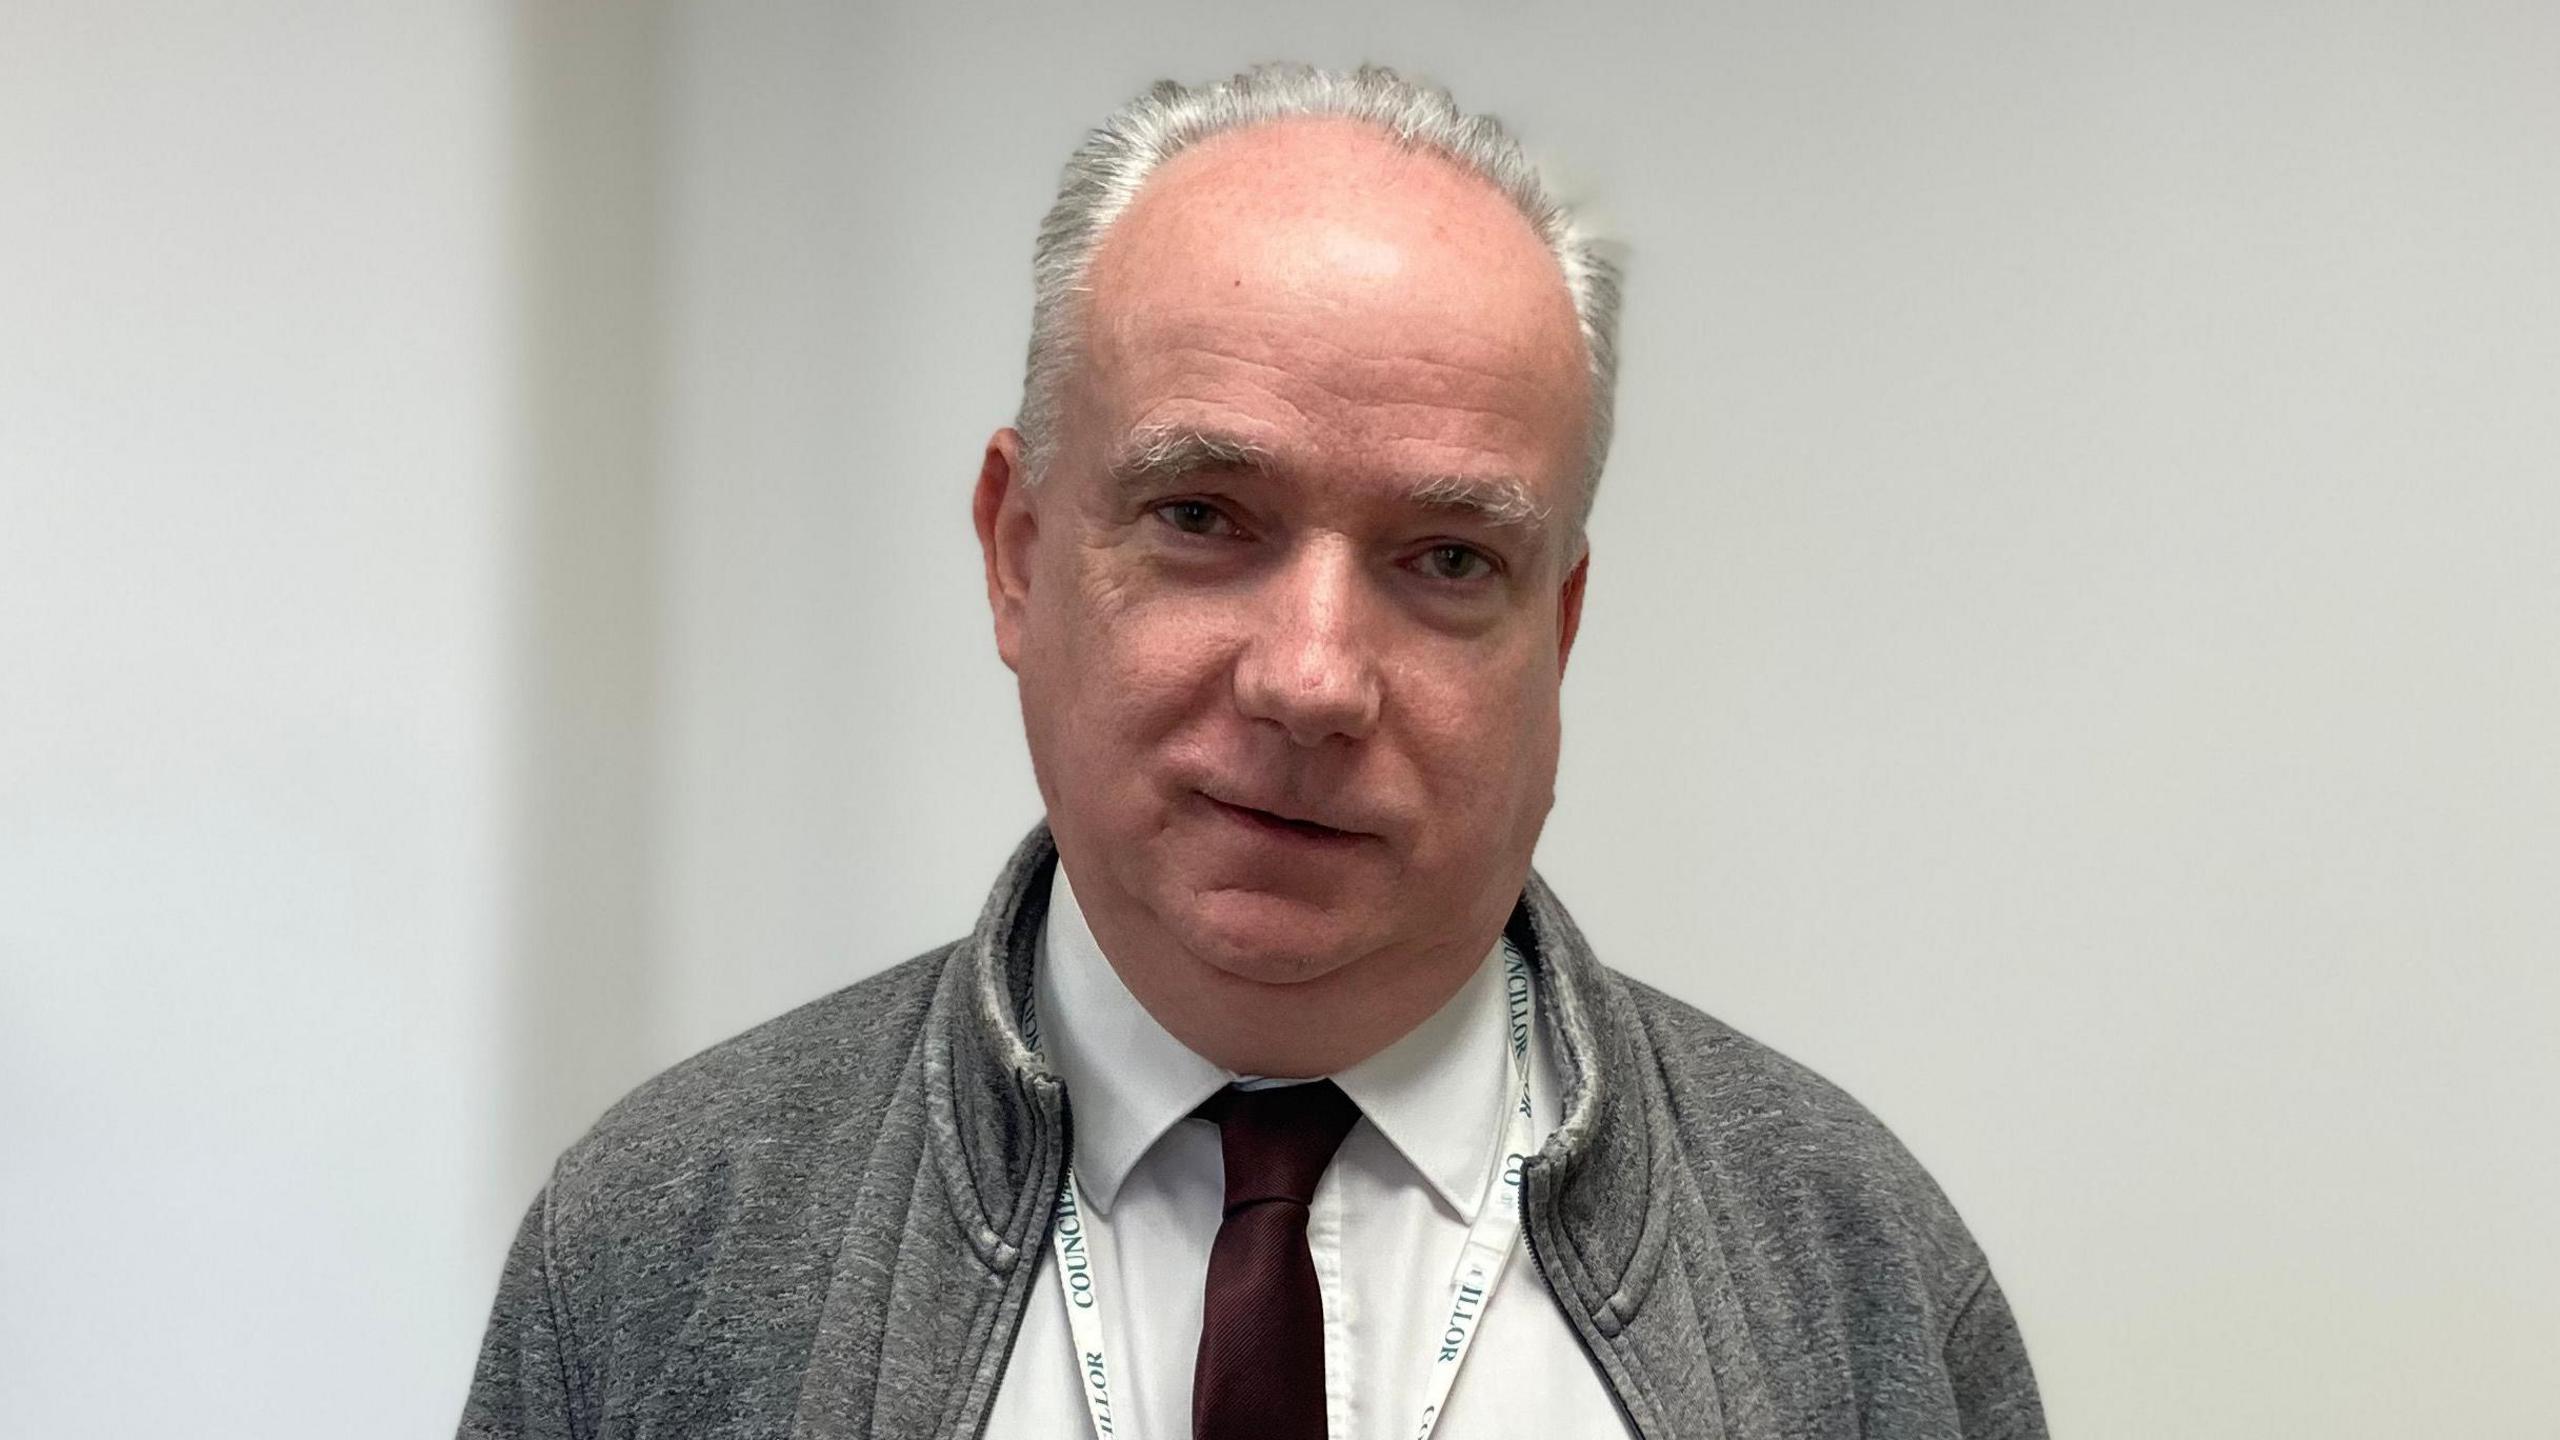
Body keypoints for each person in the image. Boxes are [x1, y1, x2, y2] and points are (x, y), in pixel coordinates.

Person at [460, 63, 2045, 1440]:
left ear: (1555, 633)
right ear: (1017, 553)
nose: (1312, 680)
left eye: (1444, 559)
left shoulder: (1856, 1278)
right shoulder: (663, 1244)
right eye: (1204, 518)